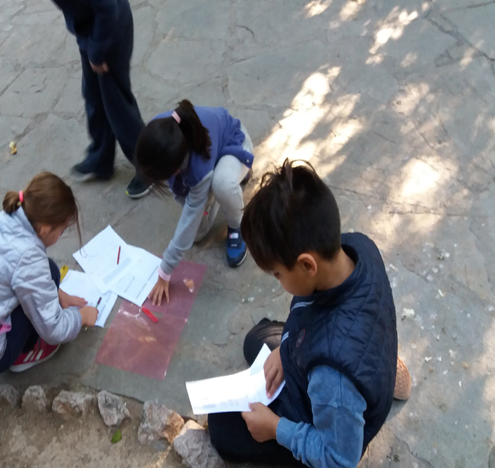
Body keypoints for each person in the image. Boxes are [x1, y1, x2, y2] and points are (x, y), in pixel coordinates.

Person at [207, 160, 410, 467]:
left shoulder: (332, 377)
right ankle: (379, 367)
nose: (277, 281)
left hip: (332, 402)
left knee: (222, 428)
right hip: (342, 341)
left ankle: (360, 389)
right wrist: (285, 349)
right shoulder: (358, 247)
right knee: (257, 339)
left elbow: (340, 459)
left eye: (277, 273)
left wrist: (276, 429)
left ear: (306, 265)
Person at [0, 172, 99, 374]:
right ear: (45, 228)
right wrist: (81, 317)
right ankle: (24, 353)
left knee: (50, 271)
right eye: (62, 229)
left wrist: (58, 294)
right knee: (41, 295)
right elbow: (53, 329)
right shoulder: (29, 257)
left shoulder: (6, 218)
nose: (61, 235)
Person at [135, 100, 254, 306]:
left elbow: (190, 214)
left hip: (235, 143)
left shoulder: (199, 167)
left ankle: (237, 225)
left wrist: (165, 271)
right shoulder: (158, 134)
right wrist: (197, 210)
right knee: (197, 234)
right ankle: (216, 189)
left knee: (222, 185)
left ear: (175, 170)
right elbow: (185, 204)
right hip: (206, 158)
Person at [44, 0, 151, 199]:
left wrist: (96, 54)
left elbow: (108, 8)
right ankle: (101, 158)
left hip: (109, 30)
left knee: (117, 103)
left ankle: (149, 166)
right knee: (93, 95)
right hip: (89, 30)